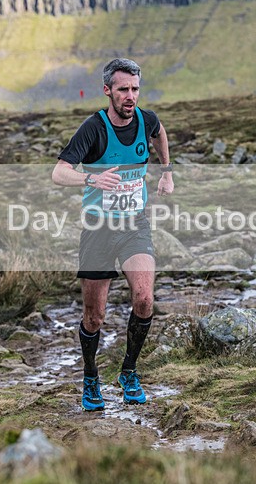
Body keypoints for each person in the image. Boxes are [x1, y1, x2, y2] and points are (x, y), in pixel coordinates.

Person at [51, 58, 174, 411]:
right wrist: (91, 178)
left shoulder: (146, 120)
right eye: (123, 89)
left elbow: (159, 132)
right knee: (95, 317)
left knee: (145, 299)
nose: (130, 96)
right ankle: (91, 377)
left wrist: (166, 171)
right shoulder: (94, 128)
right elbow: (58, 173)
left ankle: (129, 372)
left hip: (134, 226)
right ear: (108, 90)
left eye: (135, 89)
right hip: (98, 230)